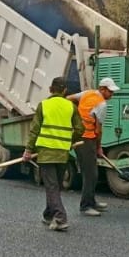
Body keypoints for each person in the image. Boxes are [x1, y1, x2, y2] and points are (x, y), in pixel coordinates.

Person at [23, 77, 83, 232]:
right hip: (63, 153)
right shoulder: (71, 107)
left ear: (50, 89)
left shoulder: (44, 105)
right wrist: (69, 140)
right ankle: (48, 215)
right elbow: (80, 129)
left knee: (51, 186)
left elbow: (34, 130)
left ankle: (60, 218)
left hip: (46, 152)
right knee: (55, 186)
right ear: (64, 91)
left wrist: (28, 150)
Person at [67, 77, 120, 216]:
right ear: (102, 89)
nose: (112, 95)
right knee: (91, 174)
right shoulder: (102, 105)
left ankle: (91, 201)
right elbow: (98, 129)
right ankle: (85, 206)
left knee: (91, 172)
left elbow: (68, 98)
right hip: (87, 140)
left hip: (78, 137)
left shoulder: (87, 93)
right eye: (110, 92)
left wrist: (74, 114)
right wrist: (99, 147)